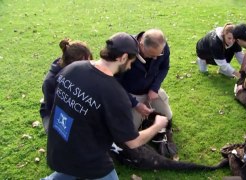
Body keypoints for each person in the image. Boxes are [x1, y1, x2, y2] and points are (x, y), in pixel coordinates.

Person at [42, 32, 168, 180]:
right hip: (90, 159)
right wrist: (158, 125)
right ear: (123, 58)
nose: (129, 67)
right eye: (130, 62)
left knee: (69, 169)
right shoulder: (115, 95)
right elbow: (133, 142)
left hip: (57, 148)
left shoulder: (73, 68)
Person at [116, 29, 176, 158]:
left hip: (151, 91)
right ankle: (144, 122)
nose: (155, 58)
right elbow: (115, 84)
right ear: (141, 45)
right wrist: (135, 103)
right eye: (152, 55)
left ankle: (152, 125)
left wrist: (154, 88)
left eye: (158, 55)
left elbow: (164, 68)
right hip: (130, 94)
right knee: (130, 134)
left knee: (168, 117)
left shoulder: (163, 48)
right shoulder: (125, 52)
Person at [40, 39, 93, 134]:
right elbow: (53, 107)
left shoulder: (80, 71)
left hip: (74, 109)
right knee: (62, 136)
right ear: (72, 64)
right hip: (54, 113)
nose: (90, 65)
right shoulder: (51, 81)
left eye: (90, 60)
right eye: (85, 62)